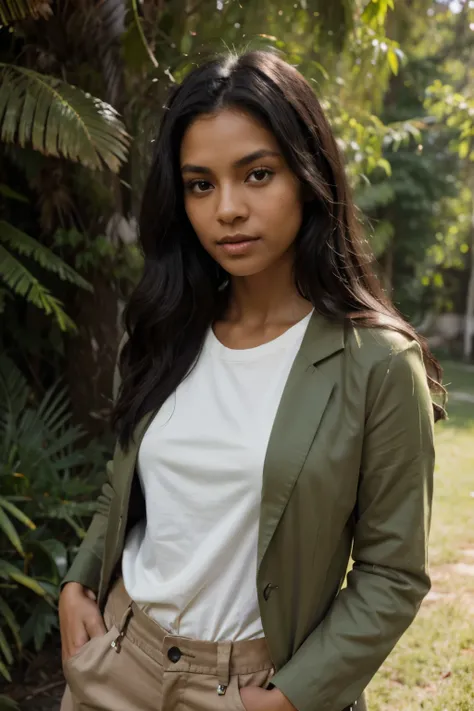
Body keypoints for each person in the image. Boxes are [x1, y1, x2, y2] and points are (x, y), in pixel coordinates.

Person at [58, 49, 444, 711]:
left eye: (256, 174)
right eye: (200, 184)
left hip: (249, 689)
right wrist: (78, 583)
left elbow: (391, 575)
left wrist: (292, 695)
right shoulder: (168, 324)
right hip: (116, 662)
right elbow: (125, 486)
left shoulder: (377, 362)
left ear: (308, 173)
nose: (227, 208)